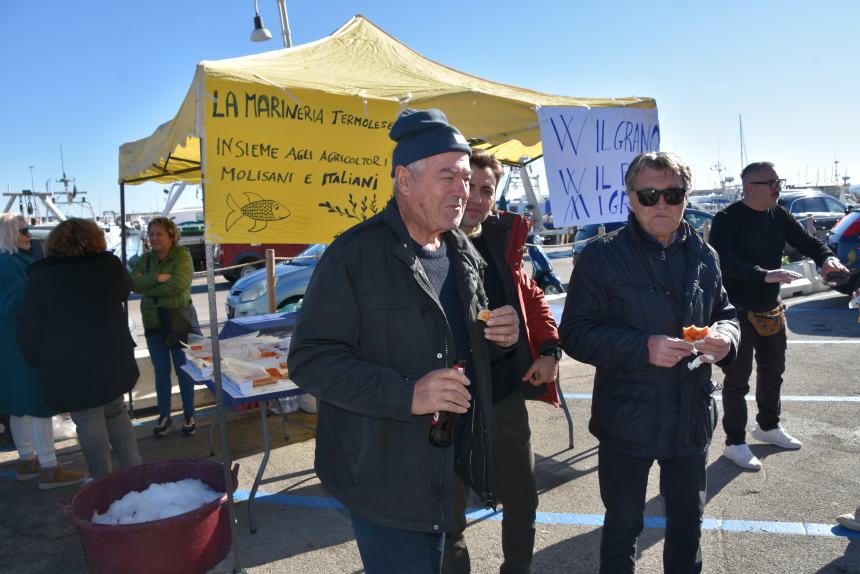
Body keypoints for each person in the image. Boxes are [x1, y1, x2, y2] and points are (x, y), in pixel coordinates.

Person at [288, 108, 521, 574]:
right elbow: (310, 360)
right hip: (383, 474)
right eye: (449, 176)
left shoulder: (462, 250)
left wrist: (499, 337)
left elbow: (460, 342)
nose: (464, 190)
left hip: (448, 460)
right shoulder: (353, 256)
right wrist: (407, 393)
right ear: (405, 180)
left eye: (468, 178)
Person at [559, 151, 740, 573]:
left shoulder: (704, 254)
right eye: (649, 194)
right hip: (627, 417)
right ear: (631, 198)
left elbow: (726, 313)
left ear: (685, 197)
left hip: (691, 415)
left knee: (688, 526)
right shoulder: (600, 256)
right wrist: (644, 347)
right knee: (623, 527)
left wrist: (725, 340)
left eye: (672, 194)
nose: (661, 204)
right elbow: (575, 334)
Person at [444, 150, 562, 574]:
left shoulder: (501, 242)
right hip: (447, 406)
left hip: (503, 397)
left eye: (485, 190)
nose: (474, 198)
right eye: (466, 186)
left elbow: (532, 298)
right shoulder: (426, 244)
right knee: (446, 521)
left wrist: (549, 352)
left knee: (523, 503)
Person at [708, 162, 850, 471]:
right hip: (736, 309)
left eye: (778, 182)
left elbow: (809, 242)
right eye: (770, 183)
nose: (777, 188)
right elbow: (722, 261)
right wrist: (764, 275)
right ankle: (734, 442)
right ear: (749, 188)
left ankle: (768, 426)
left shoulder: (779, 214)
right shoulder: (727, 218)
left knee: (773, 370)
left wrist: (828, 259)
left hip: (770, 308)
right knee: (737, 378)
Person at [17, 219, 142, 479]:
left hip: (70, 363)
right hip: (112, 357)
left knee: (87, 418)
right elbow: (124, 291)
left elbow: (29, 327)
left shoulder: (43, 275)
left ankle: (103, 484)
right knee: (116, 410)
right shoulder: (109, 265)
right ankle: (136, 475)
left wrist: (36, 360)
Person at [0, 213, 85, 489]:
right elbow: (16, 304)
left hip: (11, 346)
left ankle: (27, 461)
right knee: (37, 404)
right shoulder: (11, 264)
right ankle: (50, 467)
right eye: (24, 230)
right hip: (23, 345)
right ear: (10, 234)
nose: (29, 234)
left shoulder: (9, 262)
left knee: (18, 406)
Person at [131, 217, 198, 437]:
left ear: (171, 235)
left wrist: (149, 287)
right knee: (161, 371)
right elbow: (134, 283)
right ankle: (165, 416)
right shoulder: (146, 259)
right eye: (151, 234)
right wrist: (158, 277)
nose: (154, 238)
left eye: (159, 234)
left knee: (183, 370)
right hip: (153, 323)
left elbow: (180, 284)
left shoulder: (182, 255)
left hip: (178, 321)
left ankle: (189, 413)